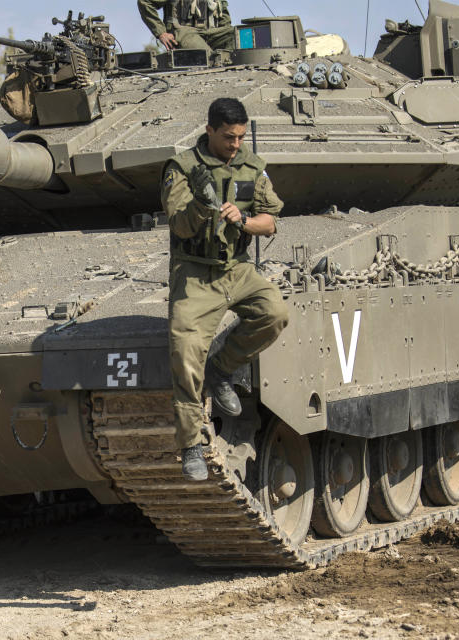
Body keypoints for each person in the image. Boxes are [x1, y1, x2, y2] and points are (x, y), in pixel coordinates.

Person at [161, 97, 288, 481]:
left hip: (236, 268)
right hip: (197, 273)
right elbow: (180, 226)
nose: (235, 144)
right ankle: (190, 445)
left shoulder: (252, 165)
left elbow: (271, 221)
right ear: (210, 130)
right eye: (228, 137)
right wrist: (202, 203)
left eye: (240, 137)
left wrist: (244, 219)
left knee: (275, 314)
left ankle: (221, 369)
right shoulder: (182, 169)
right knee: (184, 352)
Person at [137, 0, 235, 52]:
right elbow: (145, 2)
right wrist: (161, 33)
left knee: (238, 36)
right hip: (184, 33)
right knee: (206, 57)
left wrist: (226, 34)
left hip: (212, 33)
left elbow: (223, 15)